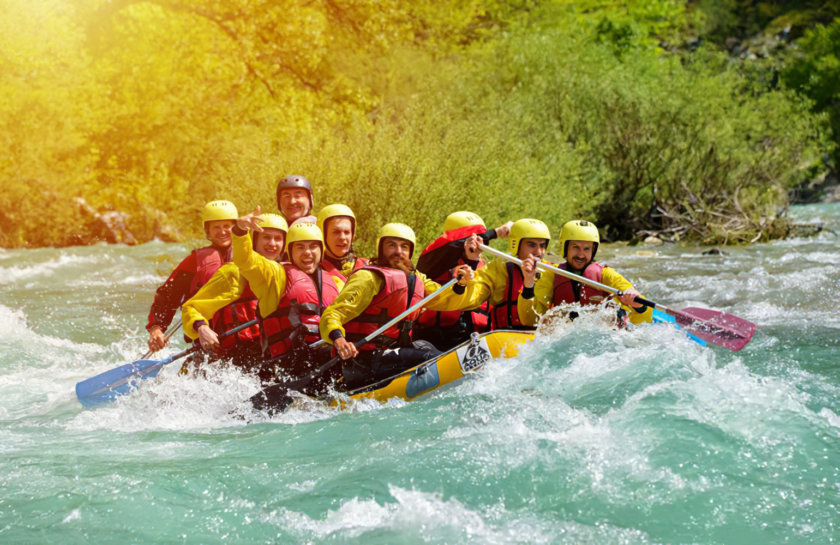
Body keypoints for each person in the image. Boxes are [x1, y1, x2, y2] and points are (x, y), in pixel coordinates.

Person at [320, 223, 475, 390]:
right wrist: (339, 339)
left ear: (410, 252)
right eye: (391, 245)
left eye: (404, 246)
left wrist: (461, 284)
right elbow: (332, 314)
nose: (398, 251)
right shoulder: (368, 278)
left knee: (425, 345)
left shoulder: (416, 279)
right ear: (381, 249)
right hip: (362, 360)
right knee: (430, 357)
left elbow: (444, 299)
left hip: (391, 353)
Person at [232, 208, 346, 384]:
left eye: (313, 246)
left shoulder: (335, 283)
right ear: (290, 252)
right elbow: (246, 260)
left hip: (325, 359)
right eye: (300, 247)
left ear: (322, 250)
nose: (307, 252)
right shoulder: (275, 276)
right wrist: (240, 232)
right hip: (286, 367)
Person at [180, 214, 288, 373]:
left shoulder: (288, 273)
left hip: (271, 354)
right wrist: (201, 327)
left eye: (277, 238)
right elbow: (191, 308)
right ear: (255, 241)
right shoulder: (233, 273)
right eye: (266, 238)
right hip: (233, 360)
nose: (272, 244)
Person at [518, 219, 653, 326]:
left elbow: (642, 321)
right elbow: (530, 320)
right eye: (575, 247)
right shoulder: (551, 275)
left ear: (593, 251)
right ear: (565, 248)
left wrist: (638, 306)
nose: (581, 255)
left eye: (587, 249)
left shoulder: (606, 274)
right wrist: (528, 282)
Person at [146, 200, 238, 352]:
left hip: (244, 336)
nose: (222, 231)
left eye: (227, 226)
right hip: (206, 339)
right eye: (216, 227)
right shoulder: (194, 261)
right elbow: (168, 296)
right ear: (208, 232)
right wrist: (156, 328)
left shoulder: (250, 257)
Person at [414, 211, 513, 350]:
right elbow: (451, 242)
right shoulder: (433, 262)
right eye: (473, 237)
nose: (477, 242)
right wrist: (496, 232)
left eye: (480, 237)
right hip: (436, 337)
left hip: (475, 335)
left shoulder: (484, 267)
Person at [455, 218, 552, 331]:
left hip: (540, 339)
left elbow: (531, 320)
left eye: (542, 245)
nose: (538, 252)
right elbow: (471, 298)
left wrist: (529, 284)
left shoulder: (552, 272)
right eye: (531, 245)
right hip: (505, 338)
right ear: (516, 245)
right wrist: (471, 265)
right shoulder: (497, 270)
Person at [317, 203, 369, 277]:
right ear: (322, 234)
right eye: (336, 232)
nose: (342, 237)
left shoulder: (367, 267)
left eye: (347, 232)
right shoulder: (314, 272)